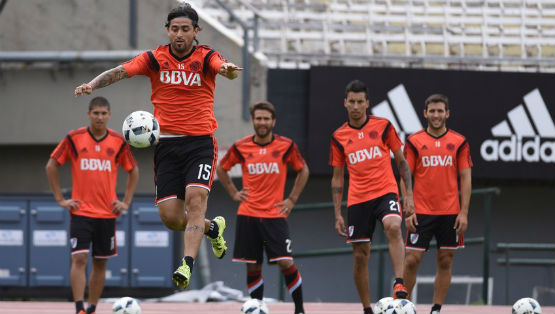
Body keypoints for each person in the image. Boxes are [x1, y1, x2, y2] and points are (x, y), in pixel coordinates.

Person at [73, 3, 243, 289]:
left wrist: (227, 70)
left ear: (196, 32)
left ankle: (186, 266)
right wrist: (92, 85)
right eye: (174, 29)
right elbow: (120, 71)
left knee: (196, 200)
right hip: (166, 145)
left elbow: (224, 68)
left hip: (200, 143)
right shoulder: (155, 58)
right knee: (172, 218)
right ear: (168, 30)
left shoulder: (206, 57)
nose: (179, 34)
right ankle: (213, 228)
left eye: (185, 29)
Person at [45, 97, 139, 314]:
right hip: (81, 211)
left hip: (107, 213)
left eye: (104, 113)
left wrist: (126, 201)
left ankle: (92, 308)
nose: (99, 117)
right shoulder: (74, 138)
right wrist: (60, 198)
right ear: (88, 114)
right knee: (79, 258)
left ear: (109, 115)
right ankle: (79, 308)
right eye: (96, 113)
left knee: (100, 263)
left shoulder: (117, 141)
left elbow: (133, 170)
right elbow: (51, 165)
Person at [329, 80, 415, 314]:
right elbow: (338, 178)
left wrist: (408, 195)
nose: (356, 106)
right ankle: (367, 308)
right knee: (360, 256)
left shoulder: (384, 126)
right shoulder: (338, 136)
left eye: (360, 102)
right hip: (358, 199)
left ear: (367, 103)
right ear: (345, 103)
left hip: (385, 190)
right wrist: (337, 213)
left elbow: (402, 163)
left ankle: (399, 281)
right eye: (352, 102)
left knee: (394, 225)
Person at [216, 101, 309, 314]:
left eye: (266, 118)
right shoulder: (241, 146)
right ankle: (258, 308)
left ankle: (300, 310)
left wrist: (292, 199)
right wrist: (233, 192)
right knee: (253, 267)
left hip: (274, 215)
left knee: (286, 263)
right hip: (247, 214)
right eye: (258, 118)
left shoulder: (286, 146)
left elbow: (303, 170)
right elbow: (222, 168)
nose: (262, 122)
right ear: (253, 121)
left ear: (273, 121)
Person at [401, 94, 472, 314]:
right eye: (432, 111)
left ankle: (436, 309)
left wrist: (464, 213)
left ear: (447, 113)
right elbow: (405, 176)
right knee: (411, 260)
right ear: (425, 113)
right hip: (421, 212)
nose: (436, 115)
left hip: (450, 212)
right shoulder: (414, 141)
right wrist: (408, 208)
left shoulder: (459, 142)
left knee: (445, 261)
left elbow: (466, 178)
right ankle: (402, 306)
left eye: (440, 111)